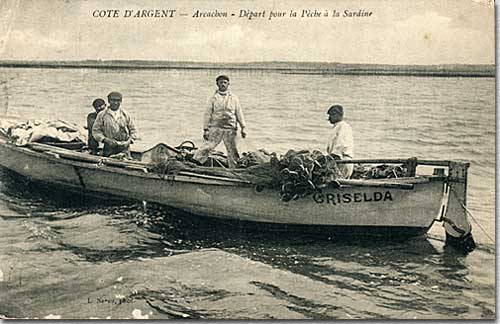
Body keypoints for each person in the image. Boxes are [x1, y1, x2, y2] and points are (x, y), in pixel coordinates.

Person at [194, 75, 247, 168]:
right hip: (216, 128)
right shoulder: (212, 98)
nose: (223, 84)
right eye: (221, 82)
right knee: (208, 147)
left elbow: (239, 112)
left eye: (225, 82)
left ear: (228, 84)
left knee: (233, 151)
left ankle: (234, 170)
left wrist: (243, 128)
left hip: (230, 129)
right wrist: (206, 129)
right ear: (217, 84)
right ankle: (195, 163)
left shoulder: (234, 98)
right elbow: (207, 114)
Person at [92, 91, 139, 157]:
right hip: (109, 148)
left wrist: (129, 141)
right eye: (113, 100)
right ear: (108, 101)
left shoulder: (125, 114)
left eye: (118, 100)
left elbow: (134, 131)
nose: (115, 103)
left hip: (124, 148)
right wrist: (105, 140)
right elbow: (96, 131)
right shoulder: (102, 115)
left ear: (121, 101)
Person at [326, 104, 354, 178]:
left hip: (343, 161)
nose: (329, 118)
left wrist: (330, 158)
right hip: (339, 161)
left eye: (331, 115)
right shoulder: (337, 127)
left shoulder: (343, 126)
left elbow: (341, 145)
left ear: (337, 114)